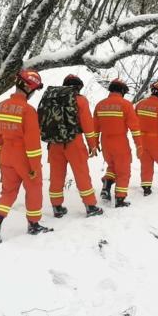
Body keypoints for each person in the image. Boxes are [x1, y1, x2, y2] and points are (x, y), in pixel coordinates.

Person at [0, 69, 50, 246]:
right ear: (29, 88)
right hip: (23, 156)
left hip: (6, 154)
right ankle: (33, 224)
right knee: (34, 187)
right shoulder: (28, 111)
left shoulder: (0, 106)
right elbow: (32, 143)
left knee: (7, 192)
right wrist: (34, 166)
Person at [47, 75, 103, 218]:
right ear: (78, 87)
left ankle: (57, 207)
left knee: (56, 176)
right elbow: (87, 125)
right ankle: (90, 206)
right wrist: (92, 145)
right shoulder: (80, 100)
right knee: (81, 173)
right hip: (74, 142)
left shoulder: (52, 99)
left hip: (54, 143)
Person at [94, 78, 142, 207]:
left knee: (112, 166)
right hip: (119, 142)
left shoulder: (100, 105)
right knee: (123, 171)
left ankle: (107, 184)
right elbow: (135, 128)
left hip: (105, 142)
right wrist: (139, 145)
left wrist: (94, 143)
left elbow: (95, 127)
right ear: (122, 91)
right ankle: (120, 199)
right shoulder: (126, 105)